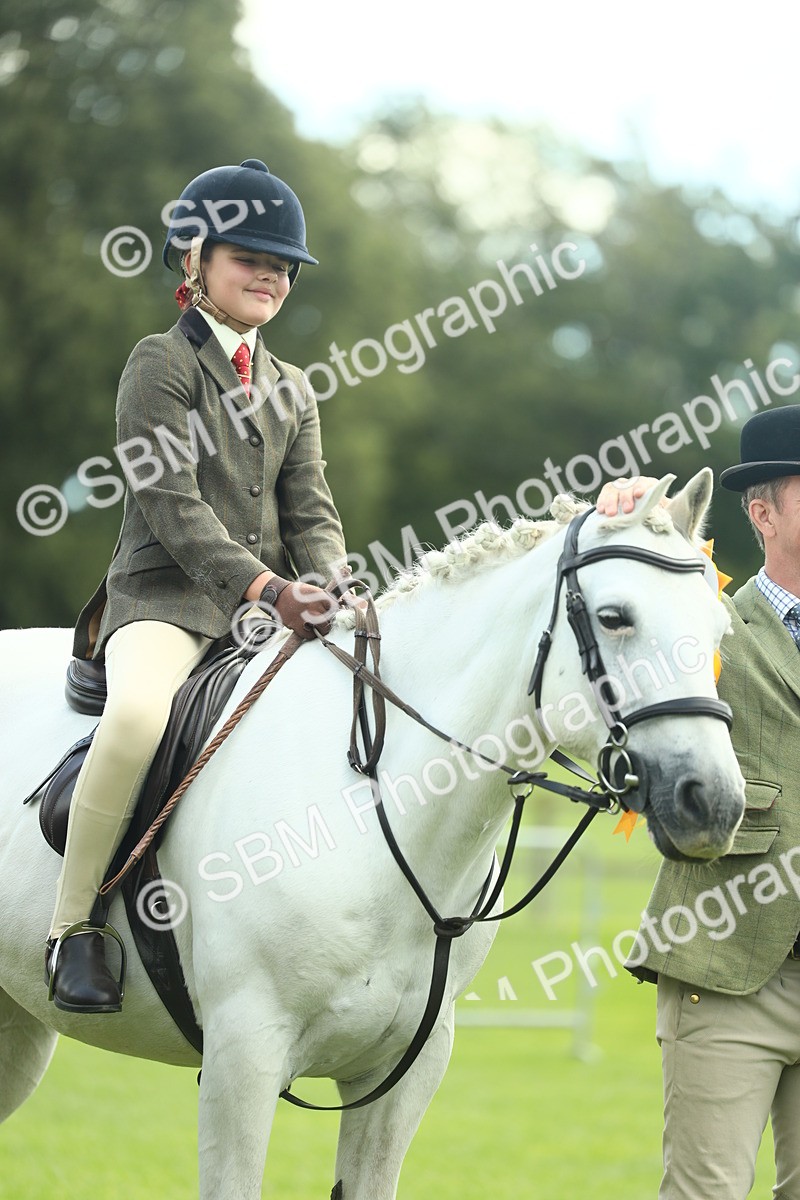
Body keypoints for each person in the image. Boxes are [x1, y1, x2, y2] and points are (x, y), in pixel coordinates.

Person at [46, 158, 348, 1015]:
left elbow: (312, 511)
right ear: (196, 260)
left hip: (261, 614)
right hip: (164, 603)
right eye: (250, 256)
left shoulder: (293, 389)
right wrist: (266, 589)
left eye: (283, 264)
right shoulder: (160, 364)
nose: (270, 274)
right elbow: (171, 508)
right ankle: (74, 928)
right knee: (141, 715)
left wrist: (335, 584)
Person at [597, 404, 800, 1200]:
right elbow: (628, 583)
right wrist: (629, 499)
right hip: (726, 971)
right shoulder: (703, 623)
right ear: (761, 511)